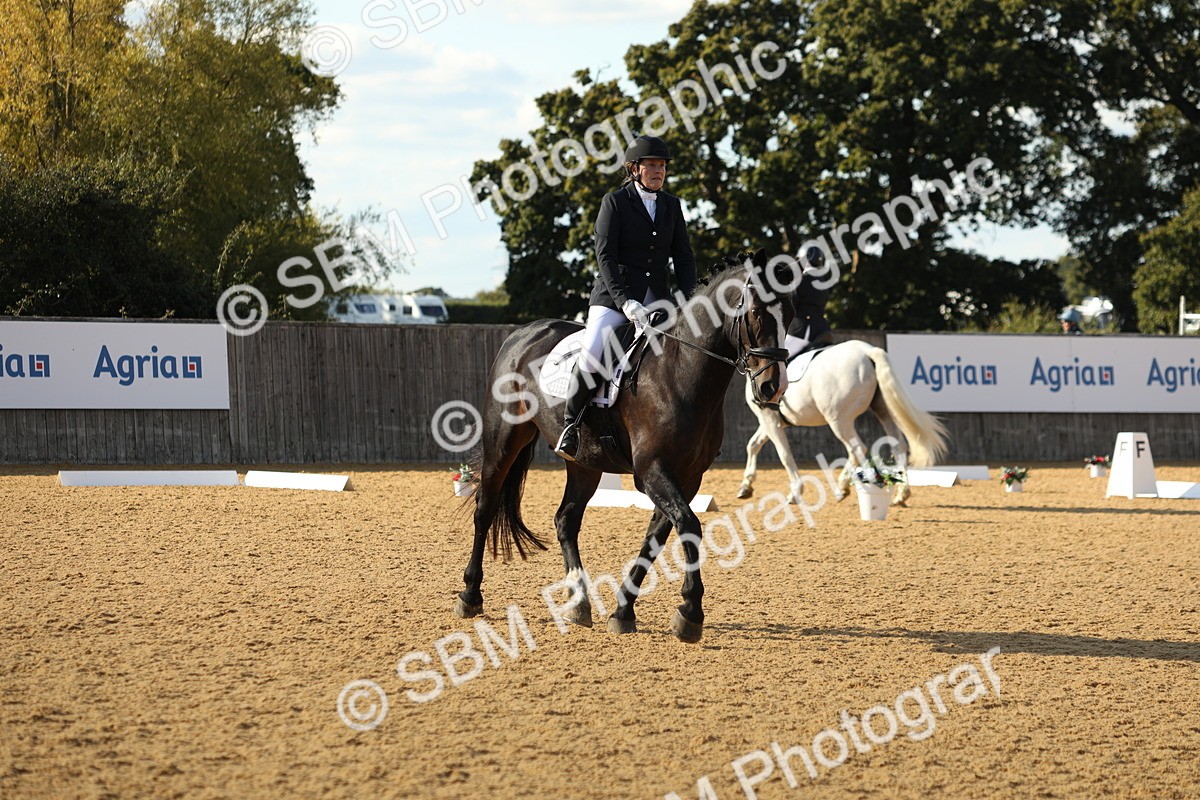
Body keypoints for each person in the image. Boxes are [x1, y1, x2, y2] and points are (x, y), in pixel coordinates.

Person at [554, 135, 697, 461]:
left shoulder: (672, 205)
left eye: (662, 166)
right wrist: (625, 301)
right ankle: (571, 425)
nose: (658, 171)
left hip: (658, 299)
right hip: (614, 296)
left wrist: (689, 300)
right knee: (593, 351)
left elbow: (684, 258)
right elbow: (605, 257)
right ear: (635, 168)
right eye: (652, 166)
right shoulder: (615, 202)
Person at [783, 245, 835, 360]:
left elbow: (790, 307)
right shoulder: (823, 281)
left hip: (801, 331)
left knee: (776, 359)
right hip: (822, 330)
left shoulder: (800, 280)